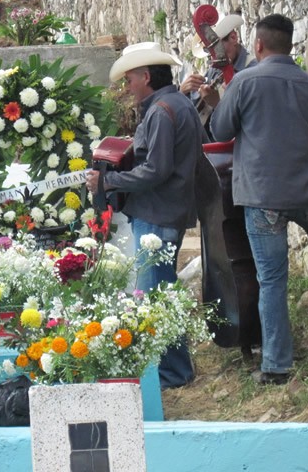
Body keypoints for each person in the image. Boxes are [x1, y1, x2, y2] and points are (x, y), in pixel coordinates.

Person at [210, 14, 308, 385]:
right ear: (290, 46)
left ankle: (276, 365)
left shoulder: (244, 82)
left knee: (272, 278)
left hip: (263, 197)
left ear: (257, 45)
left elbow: (220, 129)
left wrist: (218, 100)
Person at [85, 42, 207, 389]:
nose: (128, 87)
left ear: (147, 76)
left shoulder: (161, 111)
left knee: (154, 298)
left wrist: (108, 180)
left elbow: (156, 169)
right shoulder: (175, 105)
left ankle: (173, 374)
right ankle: (174, 371)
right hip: (166, 211)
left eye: (131, 79)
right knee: (160, 294)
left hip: (158, 213)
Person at [180, 14, 255, 136]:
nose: (213, 56)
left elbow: (246, 120)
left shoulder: (253, 70)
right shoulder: (215, 70)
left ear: (233, 37)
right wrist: (183, 92)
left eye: (216, 47)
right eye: (208, 51)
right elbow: (194, 105)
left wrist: (218, 104)